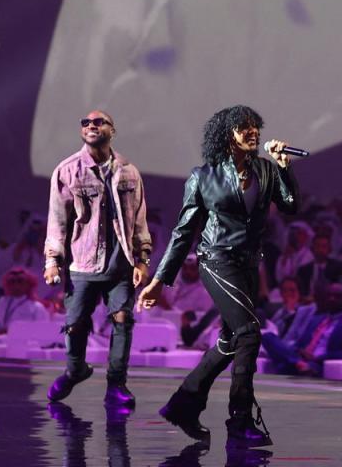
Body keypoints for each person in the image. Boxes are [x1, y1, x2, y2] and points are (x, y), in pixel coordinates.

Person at [137, 105, 299, 449]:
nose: (253, 132)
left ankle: (183, 403)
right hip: (216, 259)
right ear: (228, 134)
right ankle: (240, 420)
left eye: (256, 126)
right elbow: (183, 232)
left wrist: (284, 168)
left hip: (248, 264)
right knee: (249, 333)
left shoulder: (266, 170)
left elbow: (289, 205)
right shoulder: (204, 176)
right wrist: (159, 279)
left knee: (229, 342)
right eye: (244, 127)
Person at [44, 110, 151, 408]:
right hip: (82, 263)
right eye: (86, 122)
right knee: (76, 324)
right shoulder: (67, 170)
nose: (91, 125)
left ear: (112, 130)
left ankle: (116, 384)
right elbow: (57, 220)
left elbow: (139, 218)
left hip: (121, 264)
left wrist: (143, 259)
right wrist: (52, 260)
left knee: (122, 319)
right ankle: (75, 370)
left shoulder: (128, 171)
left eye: (99, 121)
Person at [260, 283, 342, 376]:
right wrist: (298, 351)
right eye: (329, 296)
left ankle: (296, 364)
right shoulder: (316, 319)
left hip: (319, 362)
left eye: (337, 296)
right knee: (267, 336)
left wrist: (318, 357)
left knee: (283, 362)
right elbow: (300, 343)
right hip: (302, 358)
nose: (332, 299)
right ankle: (297, 363)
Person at [0, 267, 49, 335]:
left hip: (27, 344)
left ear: (28, 284)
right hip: (1, 342)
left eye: (20, 281)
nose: (16, 285)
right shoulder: (2, 302)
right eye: (12, 282)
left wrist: (12, 331)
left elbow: (43, 333)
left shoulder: (37, 307)